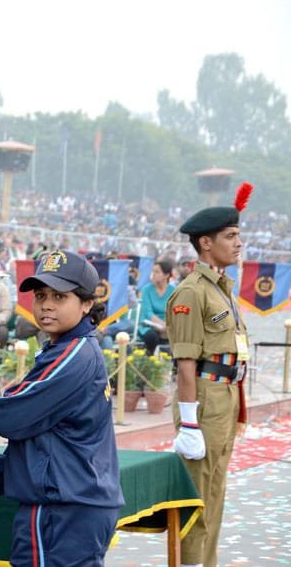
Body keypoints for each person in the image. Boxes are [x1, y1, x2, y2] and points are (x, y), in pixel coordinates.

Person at [0, 250, 124, 567]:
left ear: (87, 304)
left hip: (62, 509)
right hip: (74, 503)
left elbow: (13, 413)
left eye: (60, 296)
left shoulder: (74, 355)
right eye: (41, 295)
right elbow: (50, 431)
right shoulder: (71, 348)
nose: (46, 305)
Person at [165, 205, 248, 567]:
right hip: (203, 399)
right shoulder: (191, 292)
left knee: (215, 493)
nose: (238, 243)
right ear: (206, 243)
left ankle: (206, 562)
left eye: (238, 235)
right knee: (198, 495)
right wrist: (189, 423)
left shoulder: (222, 289)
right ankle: (190, 562)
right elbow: (186, 363)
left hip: (225, 395)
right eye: (230, 236)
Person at [137, 259, 175, 354]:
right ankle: (150, 360)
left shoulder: (174, 291)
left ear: (166, 275)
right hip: (149, 325)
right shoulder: (146, 290)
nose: (153, 274)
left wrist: (168, 326)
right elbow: (148, 312)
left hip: (169, 325)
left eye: (157, 272)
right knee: (152, 337)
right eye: (152, 271)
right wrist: (162, 325)